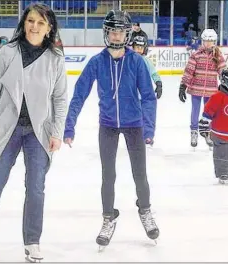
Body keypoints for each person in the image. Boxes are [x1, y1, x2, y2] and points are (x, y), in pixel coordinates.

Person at [0, 3, 68, 262]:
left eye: (40, 23)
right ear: (24, 23)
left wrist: (57, 132)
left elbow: (59, 99)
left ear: (49, 29)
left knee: (35, 188)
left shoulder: (55, 59)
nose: (34, 26)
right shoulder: (7, 52)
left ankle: (32, 241)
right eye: (31, 21)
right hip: (8, 128)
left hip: (39, 132)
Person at [63, 10, 159, 248]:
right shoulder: (97, 62)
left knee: (140, 174)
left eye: (121, 31)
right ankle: (108, 217)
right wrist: (69, 126)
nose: (116, 36)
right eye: (112, 31)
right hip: (107, 125)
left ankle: (145, 211)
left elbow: (148, 96)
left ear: (127, 34)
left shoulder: (137, 62)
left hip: (134, 125)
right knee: (108, 175)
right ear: (106, 33)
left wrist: (148, 129)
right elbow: (79, 94)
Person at [178, 28, 226, 149]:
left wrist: (226, 84)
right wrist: (183, 85)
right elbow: (189, 71)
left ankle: (208, 132)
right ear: (202, 41)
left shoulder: (218, 56)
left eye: (211, 41)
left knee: (209, 112)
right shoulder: (196, 55)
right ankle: (194, 132)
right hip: (196, 88)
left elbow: (222, 71)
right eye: (206, 41)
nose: (208, 43)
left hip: (211, 90)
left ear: (215, 42)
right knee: (195, 111)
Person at [132, 35, 163, 102]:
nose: (139, 49)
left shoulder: (147, 61)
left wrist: (159, 83)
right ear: (133, 47)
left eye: (141, 47)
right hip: (130, 97)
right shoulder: (128, 60)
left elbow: (154, 74)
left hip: (144, 97)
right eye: (137, 47)